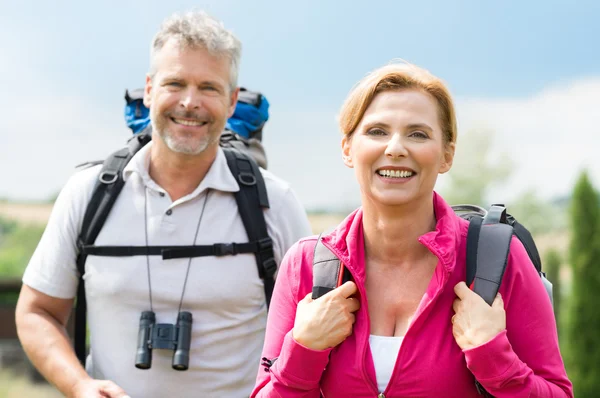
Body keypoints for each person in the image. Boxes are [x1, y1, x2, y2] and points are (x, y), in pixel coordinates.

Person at [15, 10, 312, 398]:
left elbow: (313, 329)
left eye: (209, 87)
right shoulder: (87, 195)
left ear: (233, 100)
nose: (190, 102)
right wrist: (80, 386)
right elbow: (37, 312)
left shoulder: (275, 203)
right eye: (176, 83)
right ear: (150, 89)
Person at [251, 62, 573, 397]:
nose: (395, 148)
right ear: (348, 148)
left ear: (447, 154)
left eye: (417, 134)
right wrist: (302, 351)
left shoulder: (498, 262)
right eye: (377, 131)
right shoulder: (305, 264)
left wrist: (494, 357)